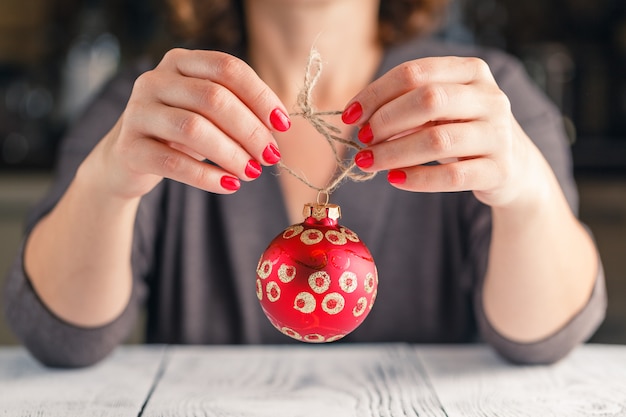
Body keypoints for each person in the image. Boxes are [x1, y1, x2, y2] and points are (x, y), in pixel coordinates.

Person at [4, 0, 606, 368]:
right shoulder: (154, 105)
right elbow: (60, 337)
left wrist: (525, 190)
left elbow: (545, 338)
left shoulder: (483, 98)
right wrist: (110, 180)